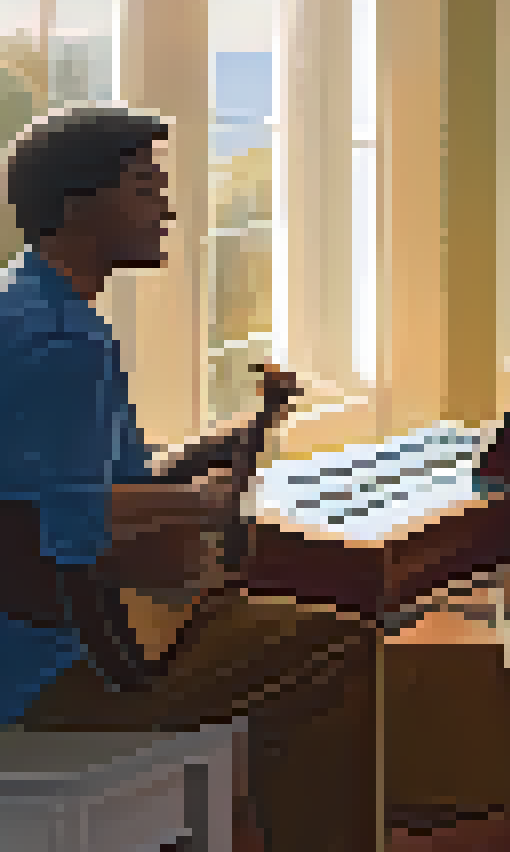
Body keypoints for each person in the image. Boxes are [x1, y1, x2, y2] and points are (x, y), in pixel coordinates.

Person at [0, 105, 378, 850]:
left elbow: (61, 485)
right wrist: (199, 507)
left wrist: (196, 460)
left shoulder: (27, 306)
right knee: (337, 644)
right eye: (144, 189)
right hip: (55, 674)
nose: (167, 207)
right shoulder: (64, 341)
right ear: (79, 205)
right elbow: (65, 518)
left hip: (47, 647)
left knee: (253, 621)